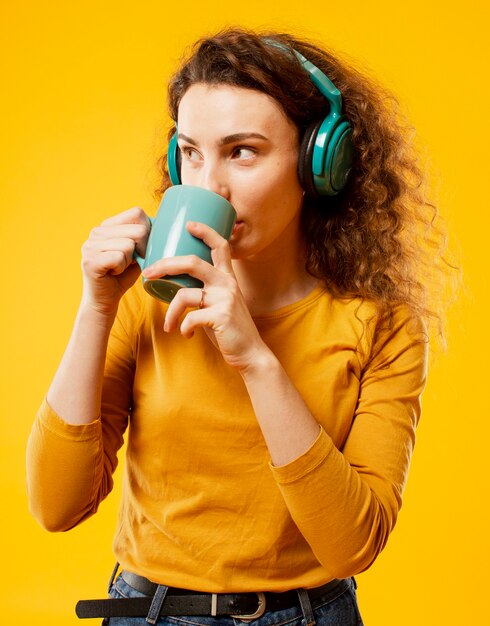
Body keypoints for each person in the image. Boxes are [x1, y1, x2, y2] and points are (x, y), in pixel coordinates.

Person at [26, 27, 447, 626]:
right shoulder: (143, 298)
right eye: (191, 152)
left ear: (318, 162)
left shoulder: (382, 324)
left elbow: (353, 545)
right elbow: (55, 505)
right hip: (147, 611)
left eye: (242, 151)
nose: (208, 185)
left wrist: (254, 357)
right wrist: (96, 307)